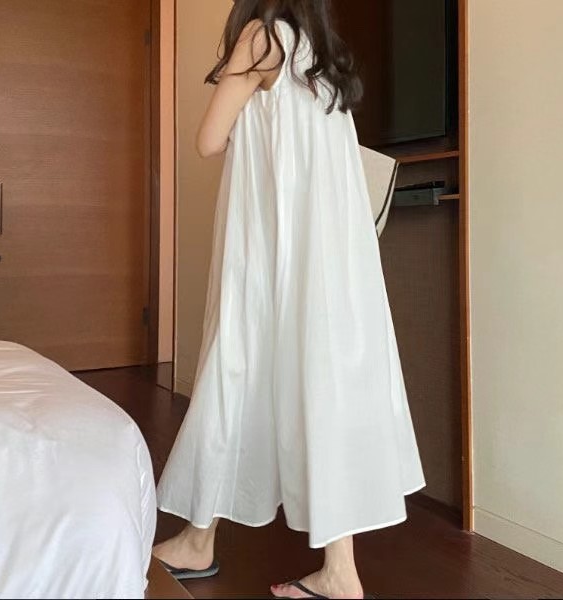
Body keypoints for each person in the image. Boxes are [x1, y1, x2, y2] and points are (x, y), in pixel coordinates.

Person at [154, 1, 425, 598]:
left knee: (236, 368)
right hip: (329, 265)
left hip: (270, 254)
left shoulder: (260, 37)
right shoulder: (322, 58)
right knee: (321, 386)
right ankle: (338, 570)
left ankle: (200, 541)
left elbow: (207, 140)